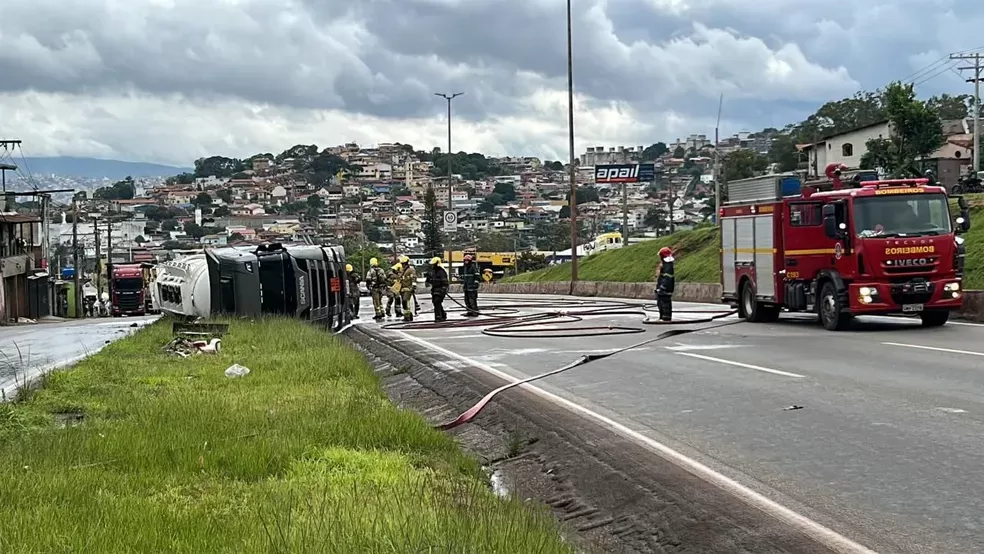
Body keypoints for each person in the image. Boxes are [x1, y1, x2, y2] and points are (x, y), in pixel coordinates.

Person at [425, 256, 449, 322]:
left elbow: (445, 282)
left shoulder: (441, 272)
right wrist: (428, 281)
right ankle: (443, 314)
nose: (432, 265)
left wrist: (444, 289)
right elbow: (430, 280)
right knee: (436, 303)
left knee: (437, 302)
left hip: (440, 289)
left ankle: (438, 317)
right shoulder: (433, 272)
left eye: (433, 264)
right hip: (434, 289)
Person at [655, 246, 675, 322]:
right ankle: (662, 317)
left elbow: (668, 278)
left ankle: (666, 318)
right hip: (664, 287)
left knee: (665, 303)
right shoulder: (665, 264)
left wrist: (663, 287)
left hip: (666, 288)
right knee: (660, 302)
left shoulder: (668, 265)